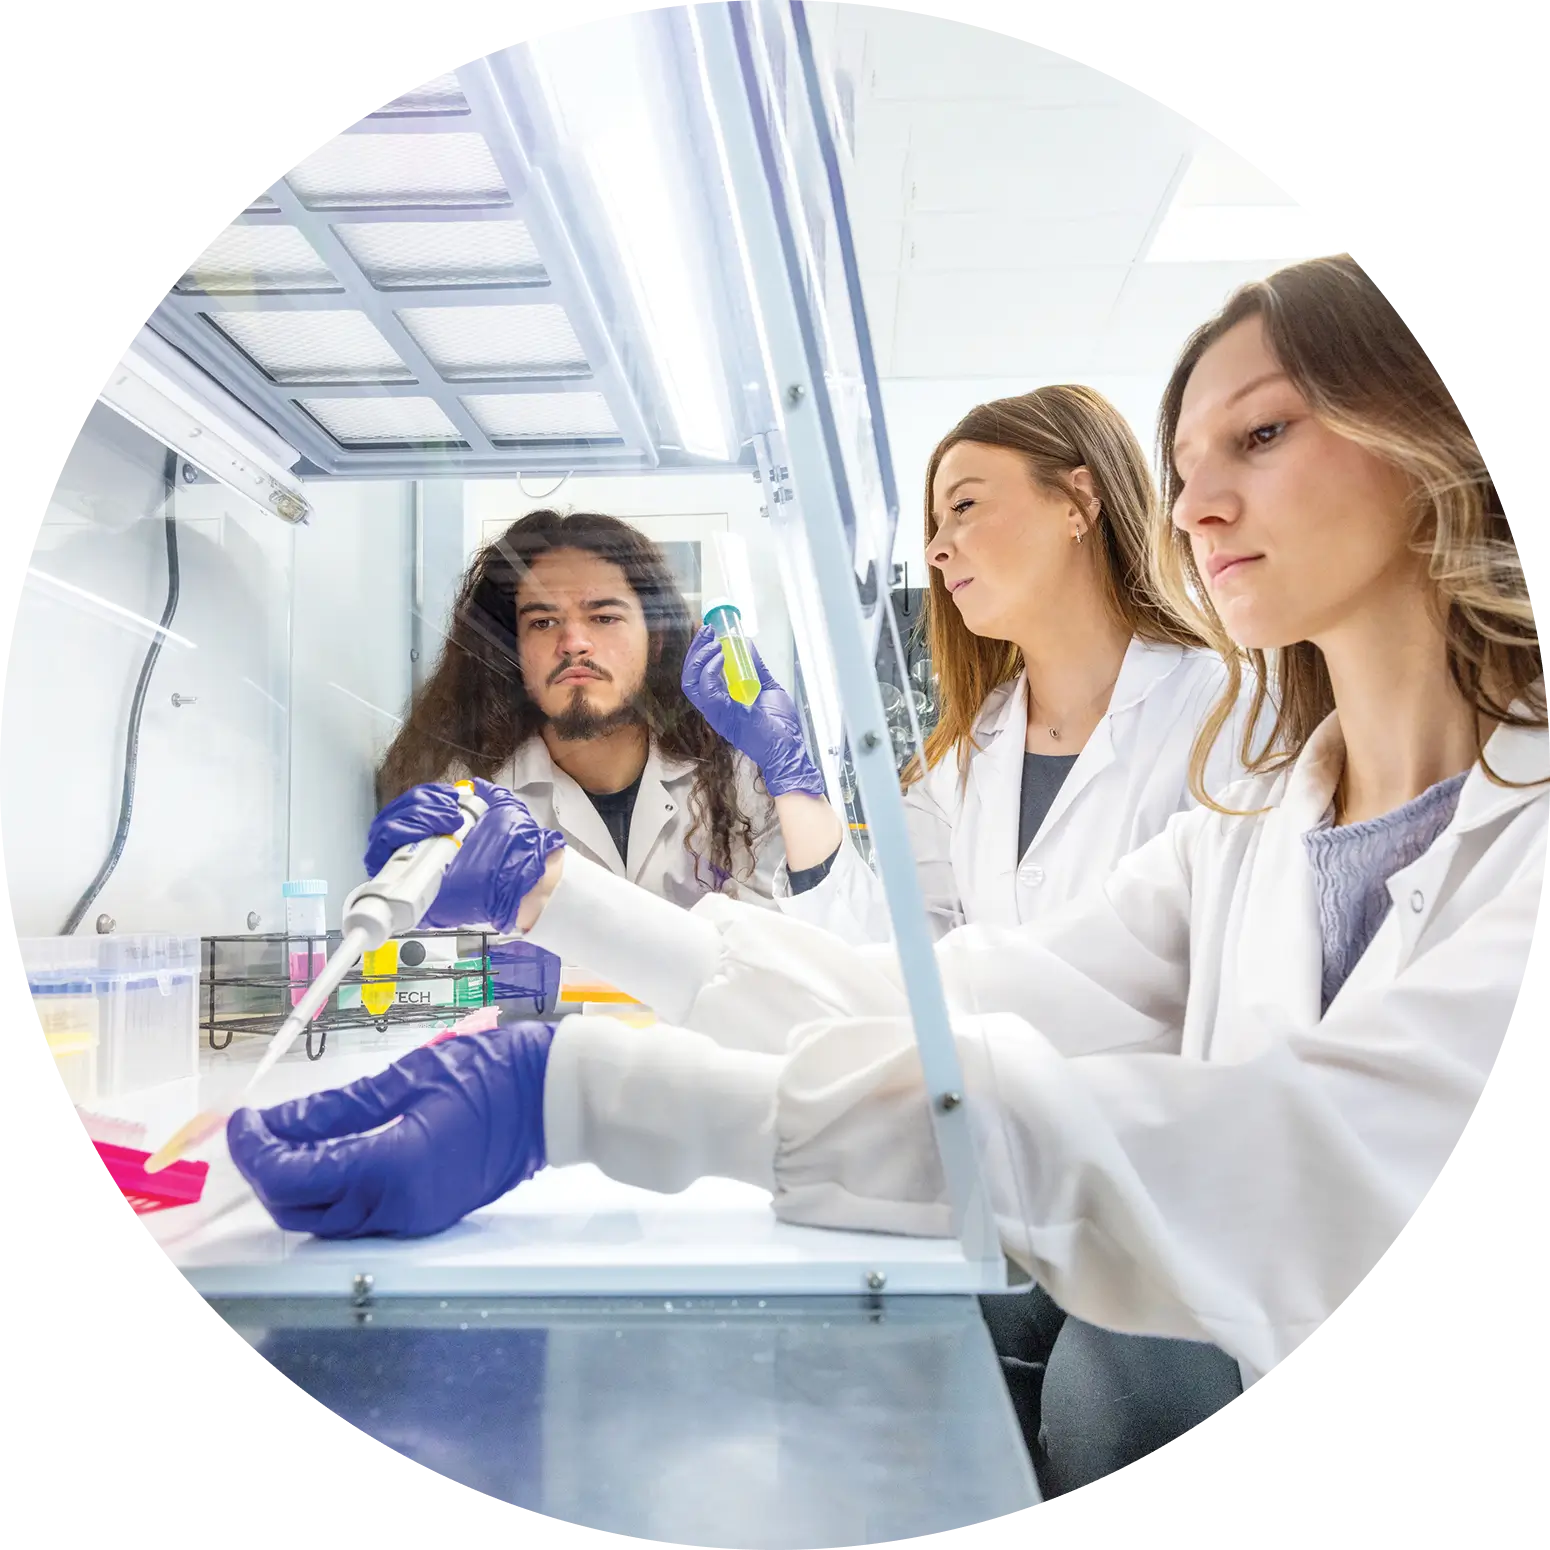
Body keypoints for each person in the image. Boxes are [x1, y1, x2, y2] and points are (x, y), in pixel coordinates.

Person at [226, 255, 1547, 1499]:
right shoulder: (1245, 826)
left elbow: (1279, 1153)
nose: (1195, 501)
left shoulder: (1457, 814)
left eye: (1259, 435)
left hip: (1123, 1265)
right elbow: (927, 987)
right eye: (1186, 461)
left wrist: (596, 1089)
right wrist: (554, 899)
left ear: (1431, 423)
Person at [684, 385, 1257, 945]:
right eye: (935, 524)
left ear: (1078, 501)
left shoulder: (1230, 711)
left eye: (964, 506)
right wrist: (792, 777)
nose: (935, 548)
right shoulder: (965, 755)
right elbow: (897, 953)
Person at [370, 508, 847, 1002]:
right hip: (554, 1068)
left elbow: (823, 951)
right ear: (514, 652)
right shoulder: (464, 796)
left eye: (603, 617)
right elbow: (444, 982)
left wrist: (792, 779)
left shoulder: (736, 774)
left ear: (655, 639)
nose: (574, 642)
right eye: (543, 621)